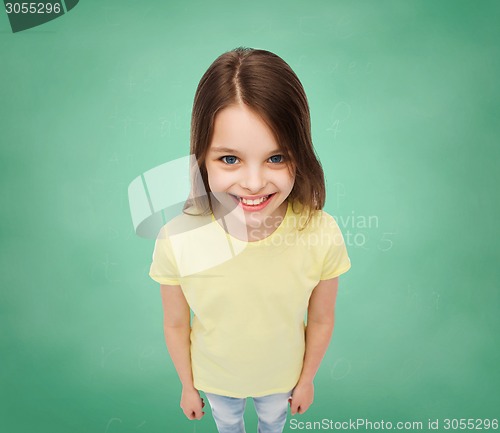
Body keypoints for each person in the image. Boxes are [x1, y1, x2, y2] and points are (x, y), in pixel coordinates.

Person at [149, 47, 351, 433]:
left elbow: (322, 319)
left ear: (301, 155)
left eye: (276, 158)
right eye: (229, 159)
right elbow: (176, 324)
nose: (255, 183)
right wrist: (188, 387)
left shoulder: (321, 232)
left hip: (283, 380)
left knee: (272, 424)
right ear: (201, 160)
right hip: (217, 381)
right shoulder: (176, 238)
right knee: (228, 424)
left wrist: (307, 379)